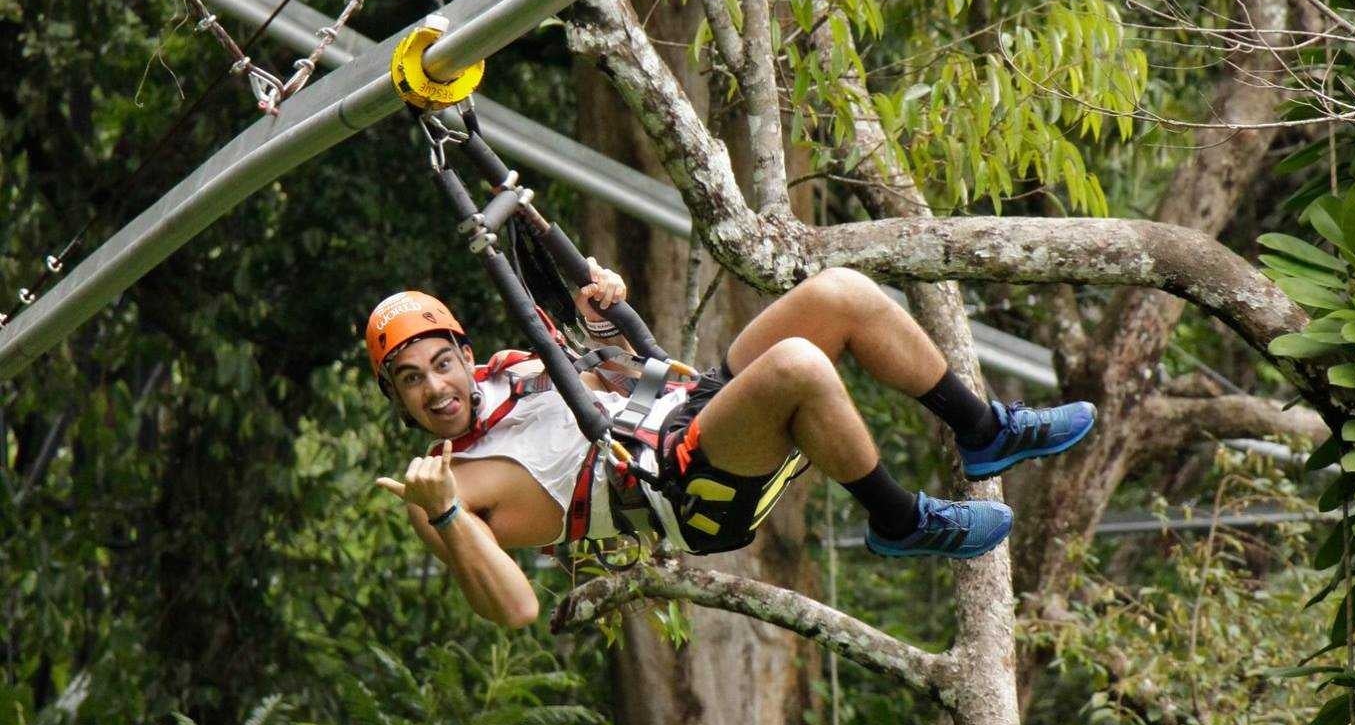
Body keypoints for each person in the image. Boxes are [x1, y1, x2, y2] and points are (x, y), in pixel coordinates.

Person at [371, 265, 1096, 631]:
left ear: (463, 356)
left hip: (687, 411)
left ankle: (982, 431)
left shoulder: (512, 370)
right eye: (410, 381)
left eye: (440, 363)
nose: (434, 388)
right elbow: (517, 610)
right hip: (680, 489)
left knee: (839, 292)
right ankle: (899, 522)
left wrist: (603, 321)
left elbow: (621, 376)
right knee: (794, 366)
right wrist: (442, 519)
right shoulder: (447, 486)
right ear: (397, 400)